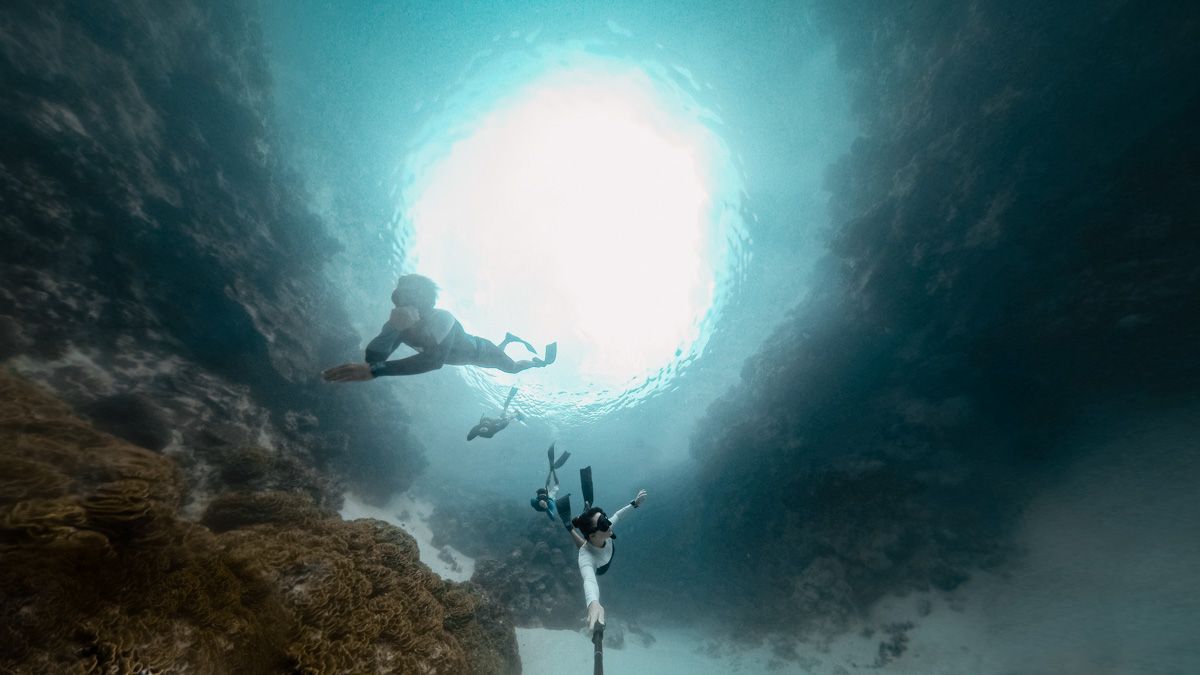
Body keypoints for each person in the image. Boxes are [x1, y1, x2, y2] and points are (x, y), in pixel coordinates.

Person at [322, 274, 556, 382]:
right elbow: (373, 359)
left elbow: (433, 362)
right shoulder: (399, 325)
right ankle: (507, 340)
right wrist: (392, 328)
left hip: (481, 350)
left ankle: (536, 363)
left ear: (423, 299)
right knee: (501, 363)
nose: (398, 297)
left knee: (512, 368)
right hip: (472, 357)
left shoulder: (443, 318)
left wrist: (376, 371)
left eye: (405, 292)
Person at [573, 488, 648, 630]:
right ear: (592, 535)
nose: (607, 523)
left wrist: (635, 503)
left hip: (601, 548)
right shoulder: (585, 557)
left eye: (604, 517)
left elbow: (618, 515)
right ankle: (570, 528)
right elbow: (589, 580)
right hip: (601, 567)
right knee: (583, 546)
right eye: (602, 523)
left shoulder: (605, 528)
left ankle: (584, 515)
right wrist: (593, 602)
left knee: (595, 526)